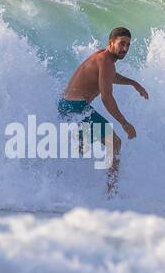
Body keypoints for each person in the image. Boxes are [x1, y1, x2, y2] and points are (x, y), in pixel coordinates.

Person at [57, 26, 149, 195]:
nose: (125, 49)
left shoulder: (103, 58)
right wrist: (124, 123)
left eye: (128, 45)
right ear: (111, 43)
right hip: (77, 107)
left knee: (81, 147)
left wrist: (134, 83)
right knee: (115, 143)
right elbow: (107, 98)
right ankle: (111, 193)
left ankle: (58, 184)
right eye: (122, 44)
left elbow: (109, 77)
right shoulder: (106, 61)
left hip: (66, 105)